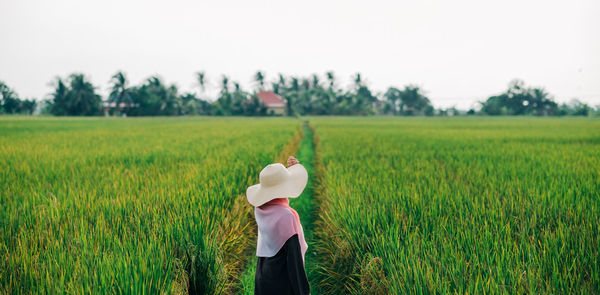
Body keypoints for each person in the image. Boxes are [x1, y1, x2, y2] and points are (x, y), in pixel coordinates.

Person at [246, 156, 310, 295]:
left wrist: (287, 173)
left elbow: (278, 204)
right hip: (282, 283)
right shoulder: (287, 217)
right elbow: (294, 262)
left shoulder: (261, 209)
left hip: (264, 278)